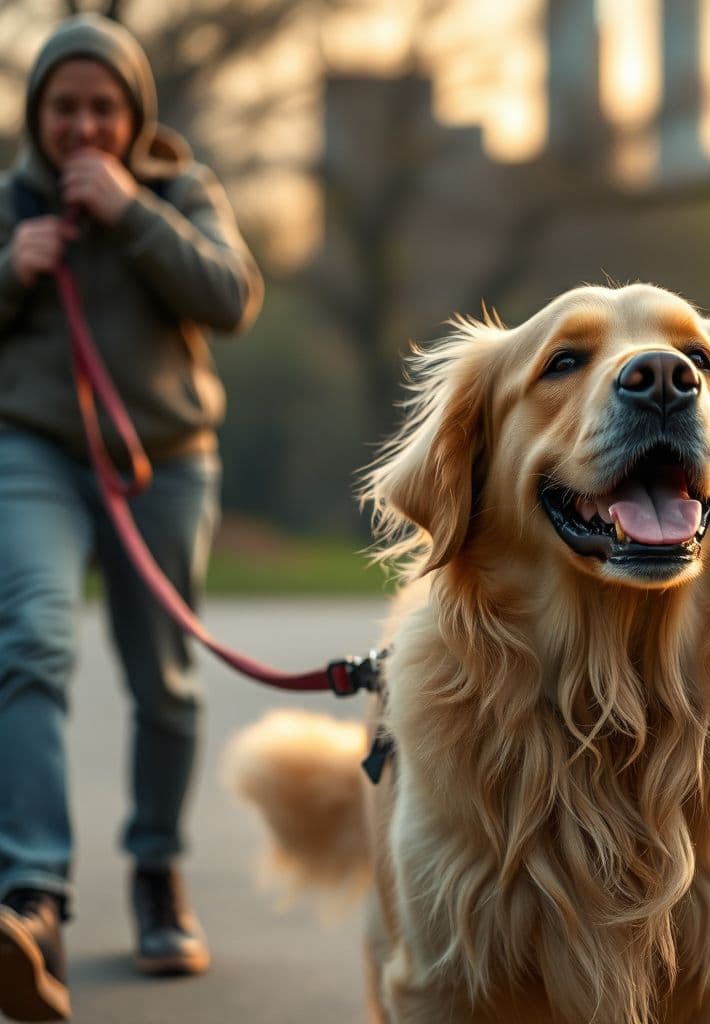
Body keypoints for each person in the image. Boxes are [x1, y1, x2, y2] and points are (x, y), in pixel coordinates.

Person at [0, 14, 263, 1021]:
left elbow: (232, 297)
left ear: (133, 114)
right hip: (32, 454)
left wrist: (129, 211)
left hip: (163, 460)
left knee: (163, 676)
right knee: (30, 639)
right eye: (64, 107)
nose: (83, 127)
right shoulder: (10, 203)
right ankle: (32, 899)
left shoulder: (181, 191)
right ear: (38, 115)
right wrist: (10, 270)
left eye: (103, 107)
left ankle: (158, 873)